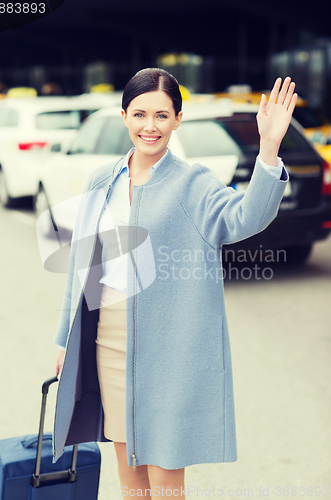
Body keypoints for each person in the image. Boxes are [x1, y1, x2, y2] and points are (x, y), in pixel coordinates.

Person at [53, 68, 297, 499]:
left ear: (178, 119)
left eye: (162, 116)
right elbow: (82, 268)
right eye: (140, 114)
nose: (150, 126)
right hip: (108, 344)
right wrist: (62, 340)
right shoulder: (101, 181)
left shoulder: (193, 184)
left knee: (165, 484)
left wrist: (270, 148)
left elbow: (247, 218)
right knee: (130, 480)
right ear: (124, 115)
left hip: (170, 353)